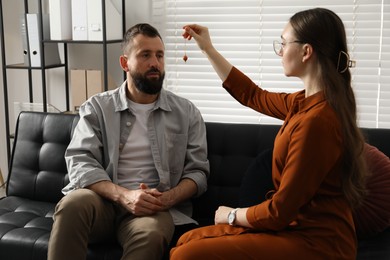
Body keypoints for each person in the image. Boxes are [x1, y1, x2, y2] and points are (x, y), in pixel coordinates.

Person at [171, 8, 368, 260]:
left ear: (306, 52)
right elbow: (253, 95)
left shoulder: (317, 121)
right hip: (293, 229)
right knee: (186, 241)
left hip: (318, 244)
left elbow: (279, 212)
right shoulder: (303, 102)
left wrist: (232, 215)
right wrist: (208, 49)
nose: (280, 51)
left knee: (186, 255)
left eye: (284, 43)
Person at [48, 23, 209, 260]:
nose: (155, 63)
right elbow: (80, 162)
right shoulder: (97, 107)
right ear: (125, 63)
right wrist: (123, 195)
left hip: (153, 210)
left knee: (151, 234)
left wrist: (166, 199)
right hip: (101, 203)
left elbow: (198, 173)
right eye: (145, 55)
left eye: (159, 55)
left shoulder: (186, 112)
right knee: (72, 203)